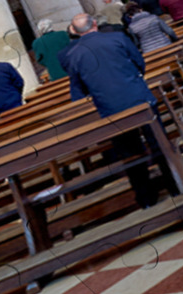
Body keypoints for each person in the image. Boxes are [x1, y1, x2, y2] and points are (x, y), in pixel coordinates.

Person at [59, 13, 171, 209]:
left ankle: (146, 198)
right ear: (95, 24)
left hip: (109, 107)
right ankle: (174, 183)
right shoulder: (117, 38)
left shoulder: (73, 55)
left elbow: (78, 89)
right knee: (157, 141)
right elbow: (139, 63)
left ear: (74, 31)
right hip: (138, 97)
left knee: (129, 153)